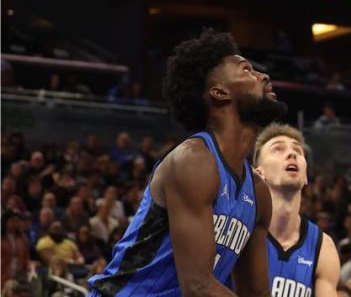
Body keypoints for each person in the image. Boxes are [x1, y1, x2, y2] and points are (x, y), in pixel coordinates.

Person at [87, 29, 287, 296]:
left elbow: (255, 293)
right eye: (246, 70)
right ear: (219, 92)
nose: (264, 76)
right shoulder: (193, 161)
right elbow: (198, 287)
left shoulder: (259, 192)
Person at [252, 123, 340, 297]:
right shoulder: (242, 230)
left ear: (306, 176)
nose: (292, 154)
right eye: (278, 149)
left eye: (298, 151)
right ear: (259, 172)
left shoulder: (323, 248)